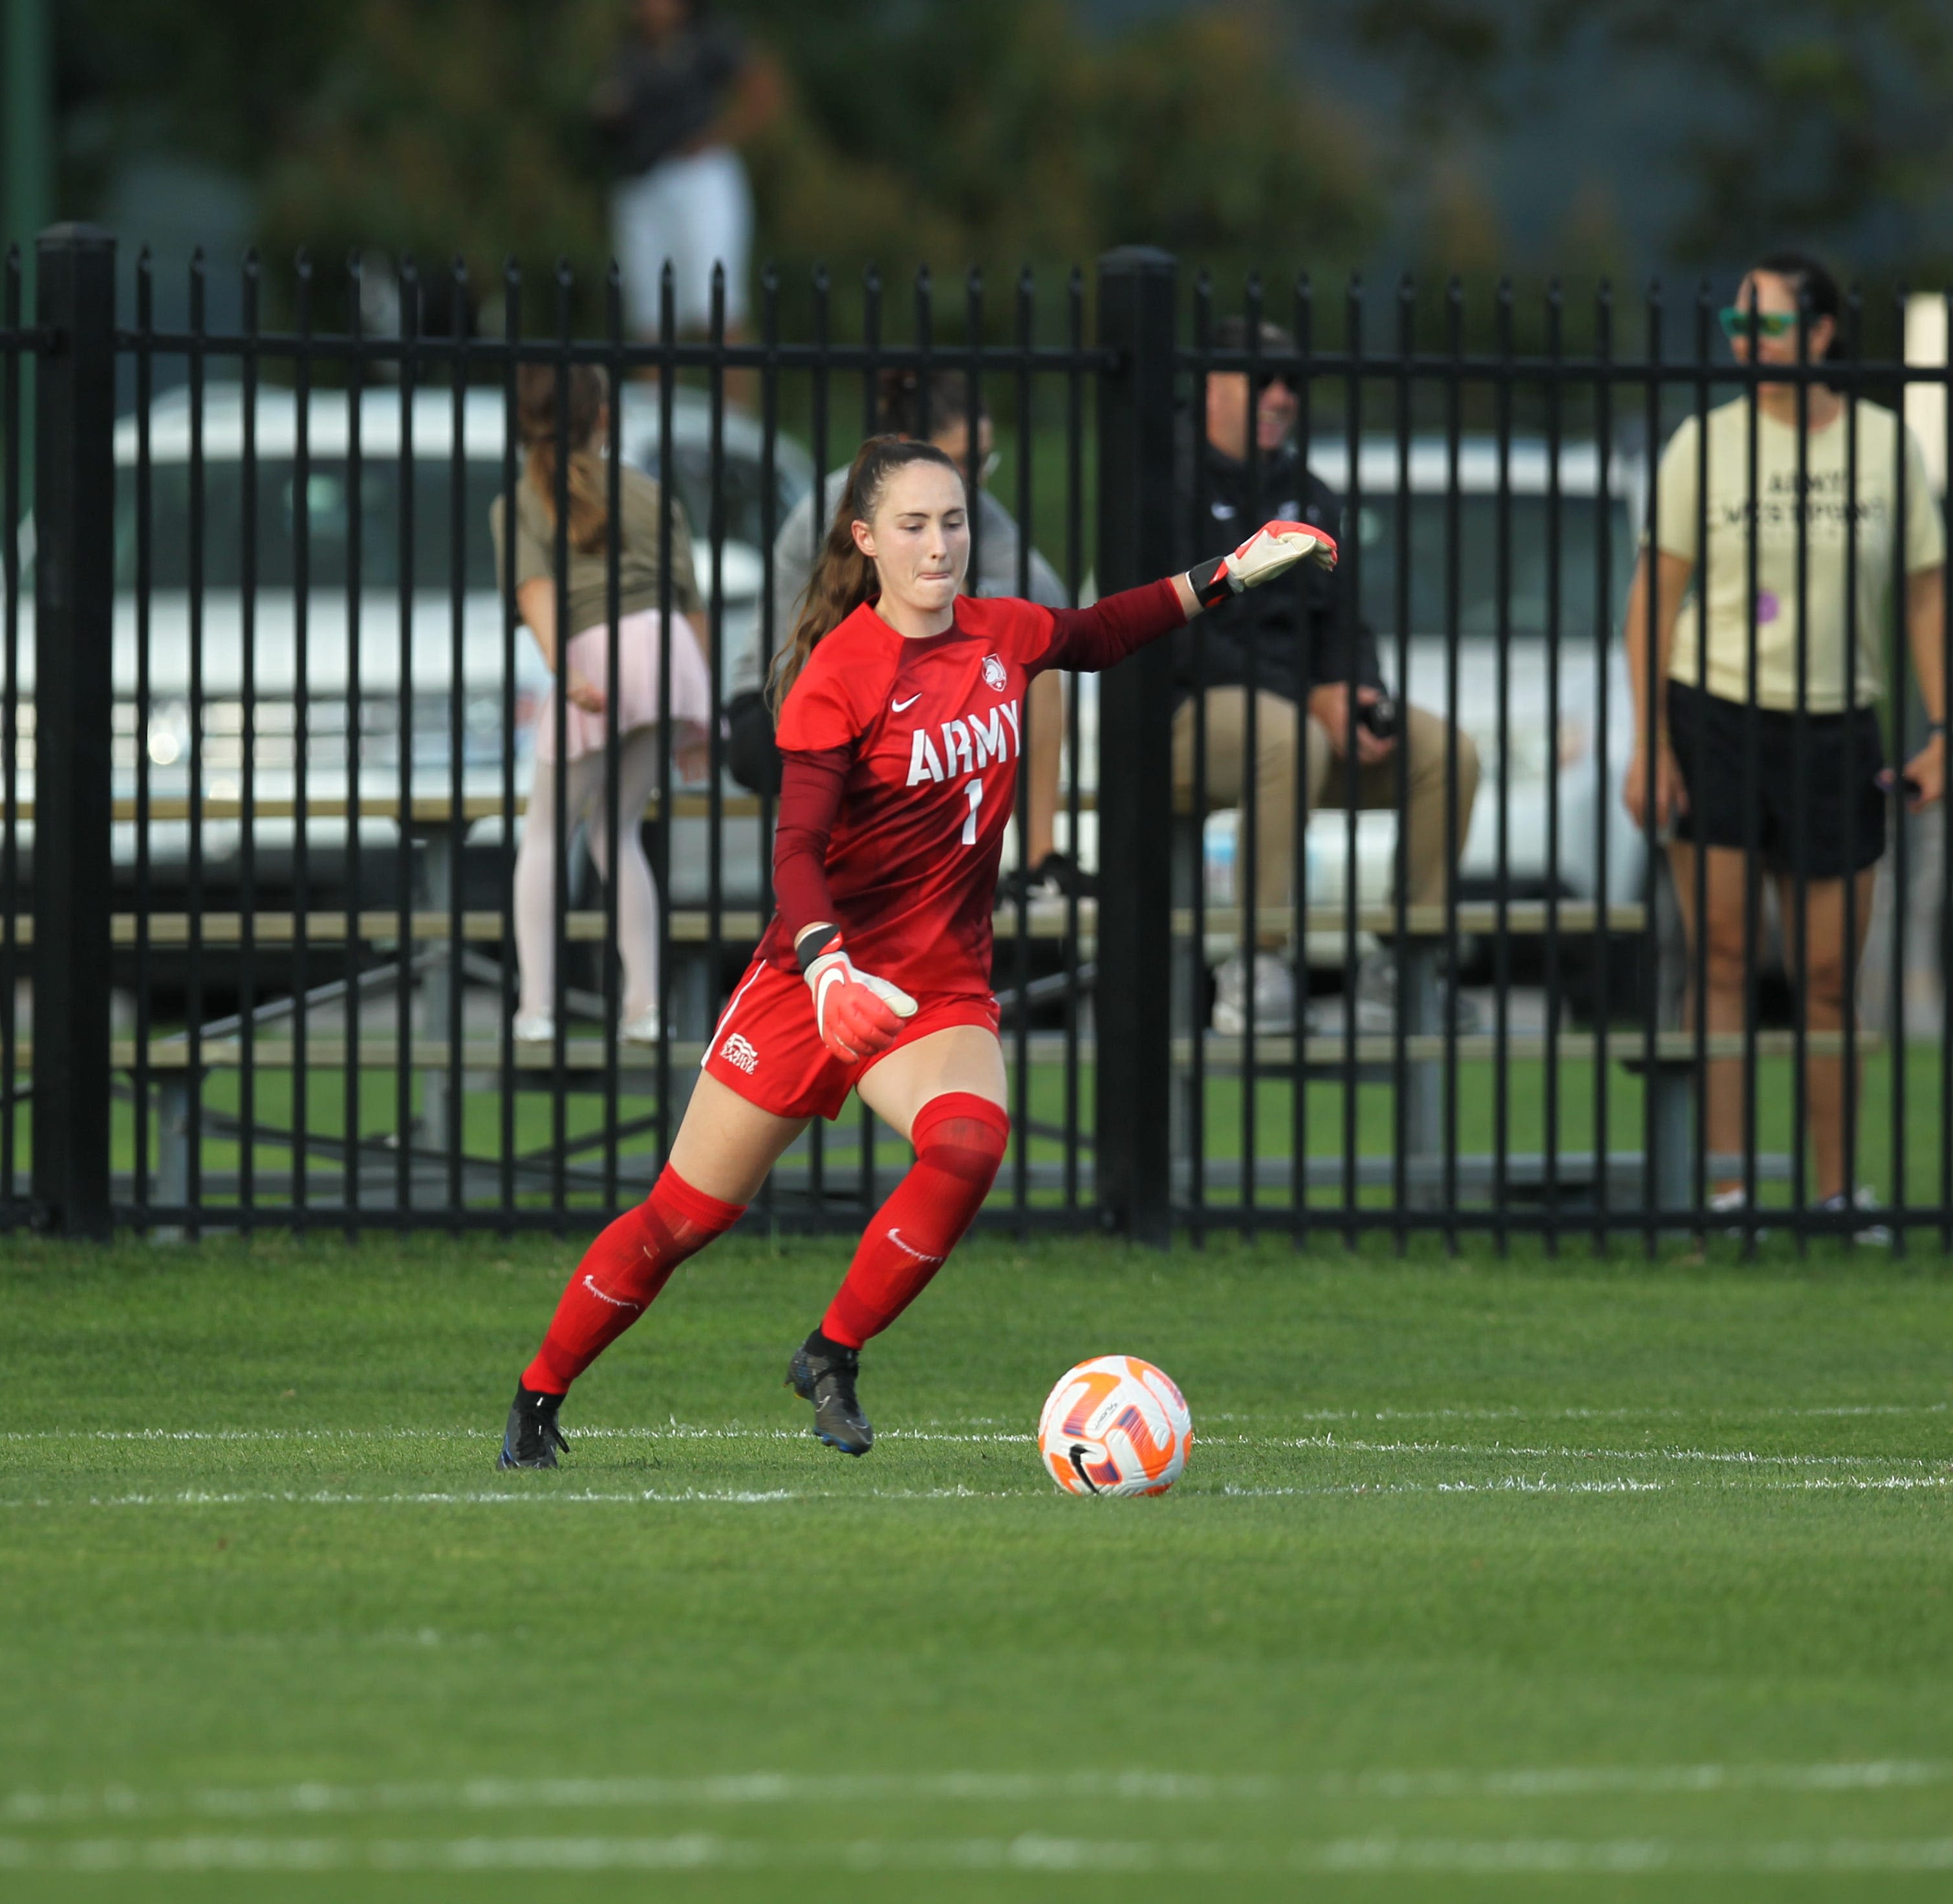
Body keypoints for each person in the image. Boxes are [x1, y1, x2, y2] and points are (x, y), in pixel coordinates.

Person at [497, 438, 1335, 1467]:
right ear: (865, 541)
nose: (940, 545)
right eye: (913, 525)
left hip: (933, 988)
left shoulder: (1001, 634)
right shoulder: (839, 673)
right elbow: (796, 850)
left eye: (953, 522)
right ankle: (537, 1399)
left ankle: (830, 1352)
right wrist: (825, 964)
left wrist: (1226, 574)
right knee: (682, 1219)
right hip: (812, 983)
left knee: (970, 1147)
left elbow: (1102, 631)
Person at [1621, 251, 1950, 1235]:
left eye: (1765, 322)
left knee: (1825, 980)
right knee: (1720, 960)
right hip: (1713, 716)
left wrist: (1942, 731)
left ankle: (1836, 1193)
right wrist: (1652, 747)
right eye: (1737, 321)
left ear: (1820, 335)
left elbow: (1926, 590)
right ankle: (1726, 1192)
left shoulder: (1888, 447)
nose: (1743, 339)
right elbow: (1653, 604)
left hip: (1838, 726)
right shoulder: (1703, 446)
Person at [1177, 318, 1480, 1035]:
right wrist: (1312, 700)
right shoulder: (1169, 479)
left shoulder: (1309, 492)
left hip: (1295, 726)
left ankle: (1404, 967)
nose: (1282, 397)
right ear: (1215, 384)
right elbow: (1177, 640)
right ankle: (1258, 965)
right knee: (1288, 739)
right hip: (1183, 718)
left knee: (1445, 754)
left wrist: (1360, 692)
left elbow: (1346, 625)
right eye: (1264, 380)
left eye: (1295, 384)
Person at [751, 369, 1083, 897]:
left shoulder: (963, 502)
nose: (978, 477)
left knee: (1032, 658)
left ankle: (1040, 859)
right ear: (907, 451)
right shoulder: (846, 499)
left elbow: (1046, 597)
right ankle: (946, 872)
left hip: (894, 696)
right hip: (780, 700)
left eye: (985, 460)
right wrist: (960, 583)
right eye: (964, 460)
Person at [491, 362, 714, 1044]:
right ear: (603, 419)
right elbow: (690, 602)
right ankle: (643, 1006)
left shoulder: (522, 497)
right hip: (670, 654)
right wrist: (697, 716)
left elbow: (536, 592)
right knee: (616, 833)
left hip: (595, 651)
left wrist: (566, 670)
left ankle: (537, 1007)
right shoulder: (649, 492)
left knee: (546, 834)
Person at [588, 0, 782, 341]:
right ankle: (655, 402)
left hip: (695, 175)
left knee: (715, 305)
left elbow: (764, 89)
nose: (641, 5)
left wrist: (717, 135)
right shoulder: (630, 53)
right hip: (639, 182)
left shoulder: (706, 41)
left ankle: (733, 405)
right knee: (650, 316)